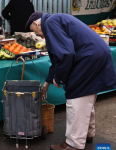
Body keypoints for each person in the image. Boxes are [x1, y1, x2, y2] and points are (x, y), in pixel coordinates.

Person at [25, 12, 116, 150]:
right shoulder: (55, 19)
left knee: (76, 95)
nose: (38, 35)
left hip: (89, 57)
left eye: (35, 31)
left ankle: (73, 144)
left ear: (37, 24)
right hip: (97, 53)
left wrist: (60, 78)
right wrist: (48, 81)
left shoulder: (49, 23)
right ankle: (87, 134)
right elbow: (58, 58)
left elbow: (65, 54)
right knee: (88, 92)